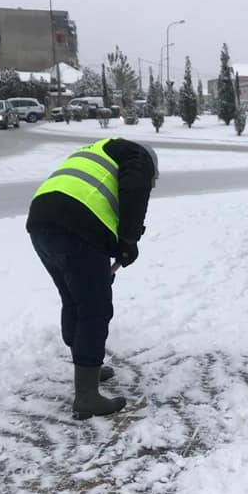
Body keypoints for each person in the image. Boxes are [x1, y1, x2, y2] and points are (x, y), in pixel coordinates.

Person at [26, 137, 158, 420]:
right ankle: (86, 397)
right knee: (94, 310)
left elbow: (98, 198)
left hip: (41, 223)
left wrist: (117, 249)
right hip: (76, 228)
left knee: (75, 300)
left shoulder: (100, 150)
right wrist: (129, 240)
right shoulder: (138, 156)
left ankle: (89, 368)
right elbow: (134, 190)